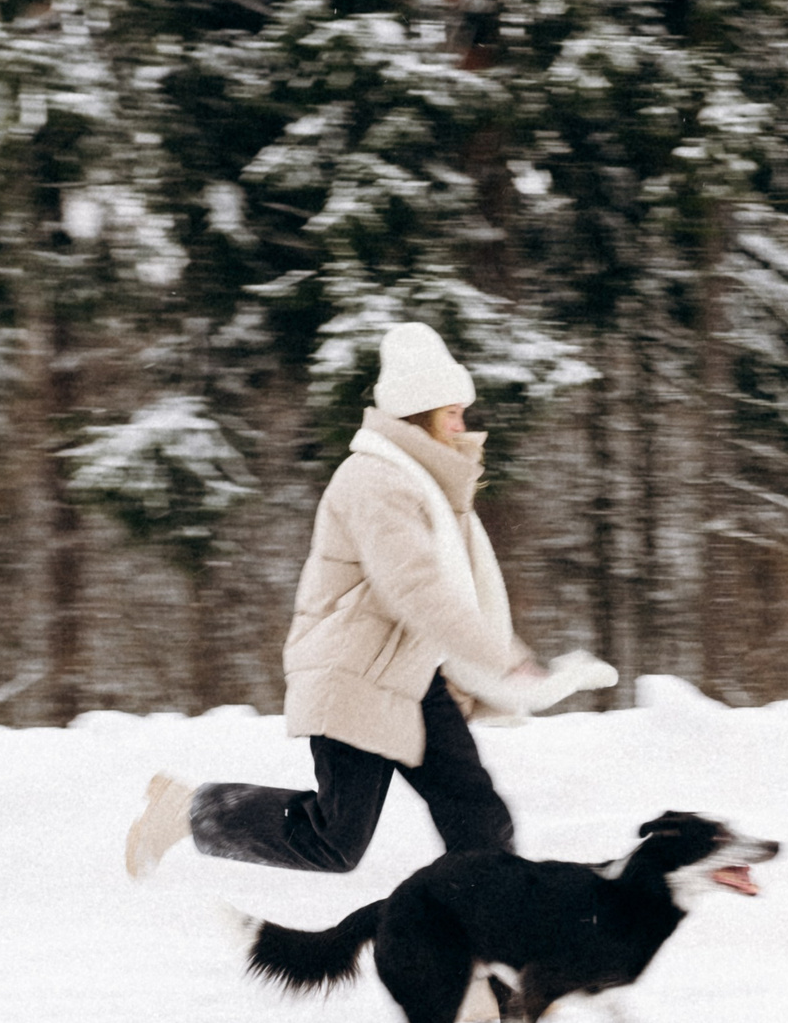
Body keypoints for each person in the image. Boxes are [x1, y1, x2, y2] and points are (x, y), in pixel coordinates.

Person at [125, 321, 612, 880]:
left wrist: (507, 655)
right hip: (353, 675)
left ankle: (488, 940)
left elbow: (458, 592)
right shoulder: (376, 480)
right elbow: (418, 589)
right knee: (334, 840)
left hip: (413, 676)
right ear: (421, 412)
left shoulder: (426, 483)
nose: (463, 425)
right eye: (452, 412)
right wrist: (501, 658)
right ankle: (189, 811)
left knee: (479, 819)